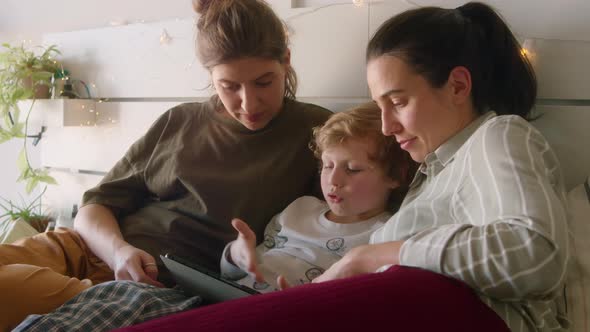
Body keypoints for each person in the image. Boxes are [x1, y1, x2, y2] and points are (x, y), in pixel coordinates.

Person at [113, 3, 568, 332]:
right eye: (379, 106)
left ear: (457, 86)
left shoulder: (498, 136)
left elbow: (537, 253)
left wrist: (370, 256)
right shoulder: (437, 173)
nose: (387, 126)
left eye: (398, 102)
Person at [0, 0, 332, 329]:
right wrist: (118, 252)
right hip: (86, 247)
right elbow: (94, 207)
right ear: (210, 76)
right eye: (229, 86)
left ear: (286, 61)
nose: (248, 103)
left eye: (263, 82)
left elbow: (352, 225)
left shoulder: (317, 133)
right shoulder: (180, 120)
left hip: (148, 290)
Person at [221, 103, 415, 292]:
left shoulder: (386, 234)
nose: (334, 180)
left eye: (352, 169)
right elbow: (230, 275)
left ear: (395, 175)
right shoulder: (300, 208)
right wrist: (235, 256)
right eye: (328, 166)